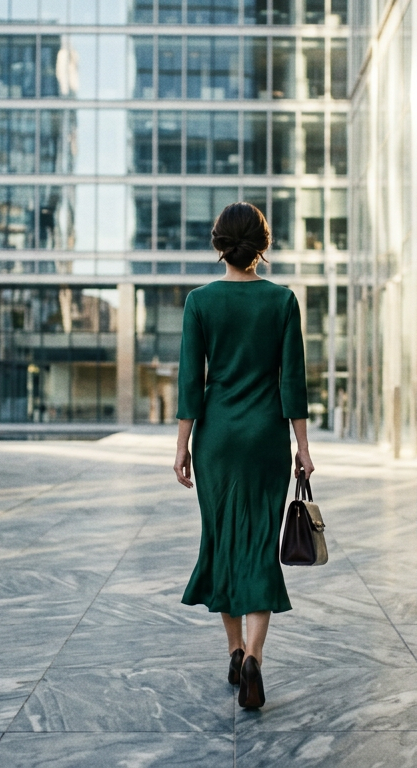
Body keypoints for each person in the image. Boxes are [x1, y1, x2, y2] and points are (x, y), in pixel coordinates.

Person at [172, 201, 313, 711]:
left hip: (217, 441)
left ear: (219, 245)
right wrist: (302, 446)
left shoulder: (200, 302)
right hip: (265, 440)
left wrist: (183, 444)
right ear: (263, 245)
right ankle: (253, 656)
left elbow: (191, 381)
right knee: (257, 544)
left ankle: (233, 651)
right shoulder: (282, 302)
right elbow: (293, 382)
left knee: (224, 540)